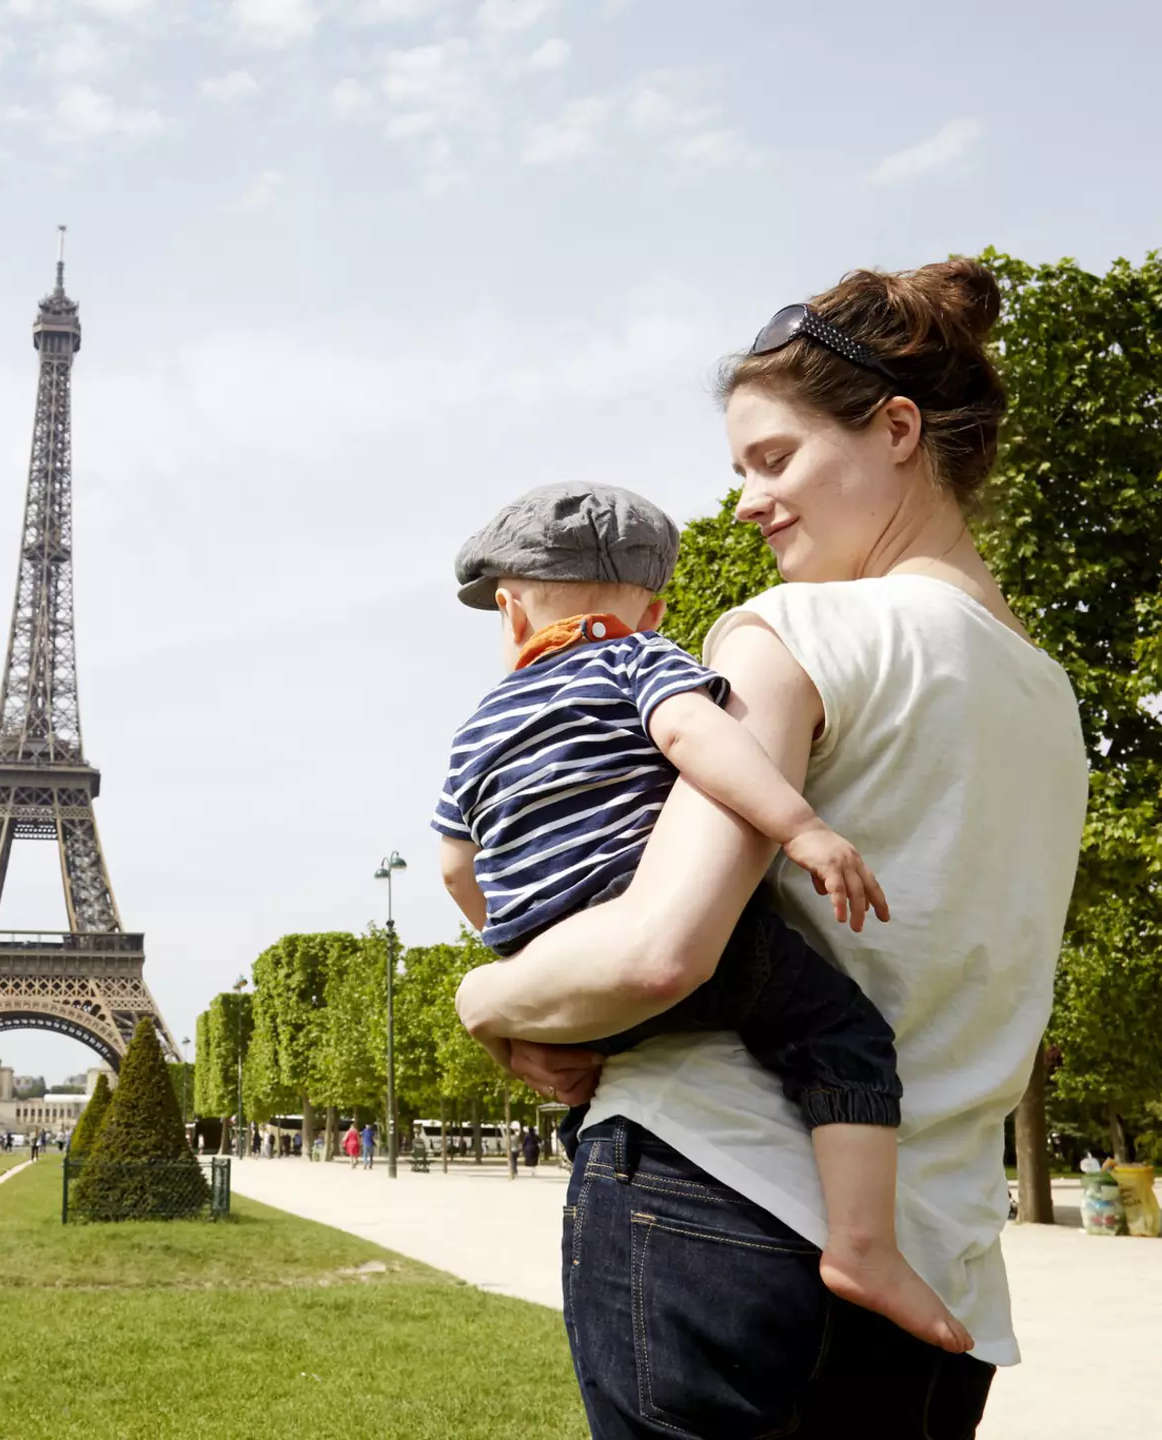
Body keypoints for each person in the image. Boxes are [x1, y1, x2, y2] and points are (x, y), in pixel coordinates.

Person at [455, 261, 1088, 1436]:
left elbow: (656, 953)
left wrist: (481, 996)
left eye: (772, 458)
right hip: (933, 1257)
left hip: (717, 1195)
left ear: (895, 429)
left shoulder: (790, 631)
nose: (744, 501)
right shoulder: (1051, 701)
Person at [434, 476, 971, 1350]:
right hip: (649, 915)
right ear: (651, 610)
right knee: (841, 1034)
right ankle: (865, 1245)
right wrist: (800, 827)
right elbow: (698, 739)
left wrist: (521, 954)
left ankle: (576, 1103)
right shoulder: (638, 658)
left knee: (587, 1080)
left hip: (551, 948)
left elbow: (458, 868)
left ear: (510, 611)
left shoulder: (475, 728)